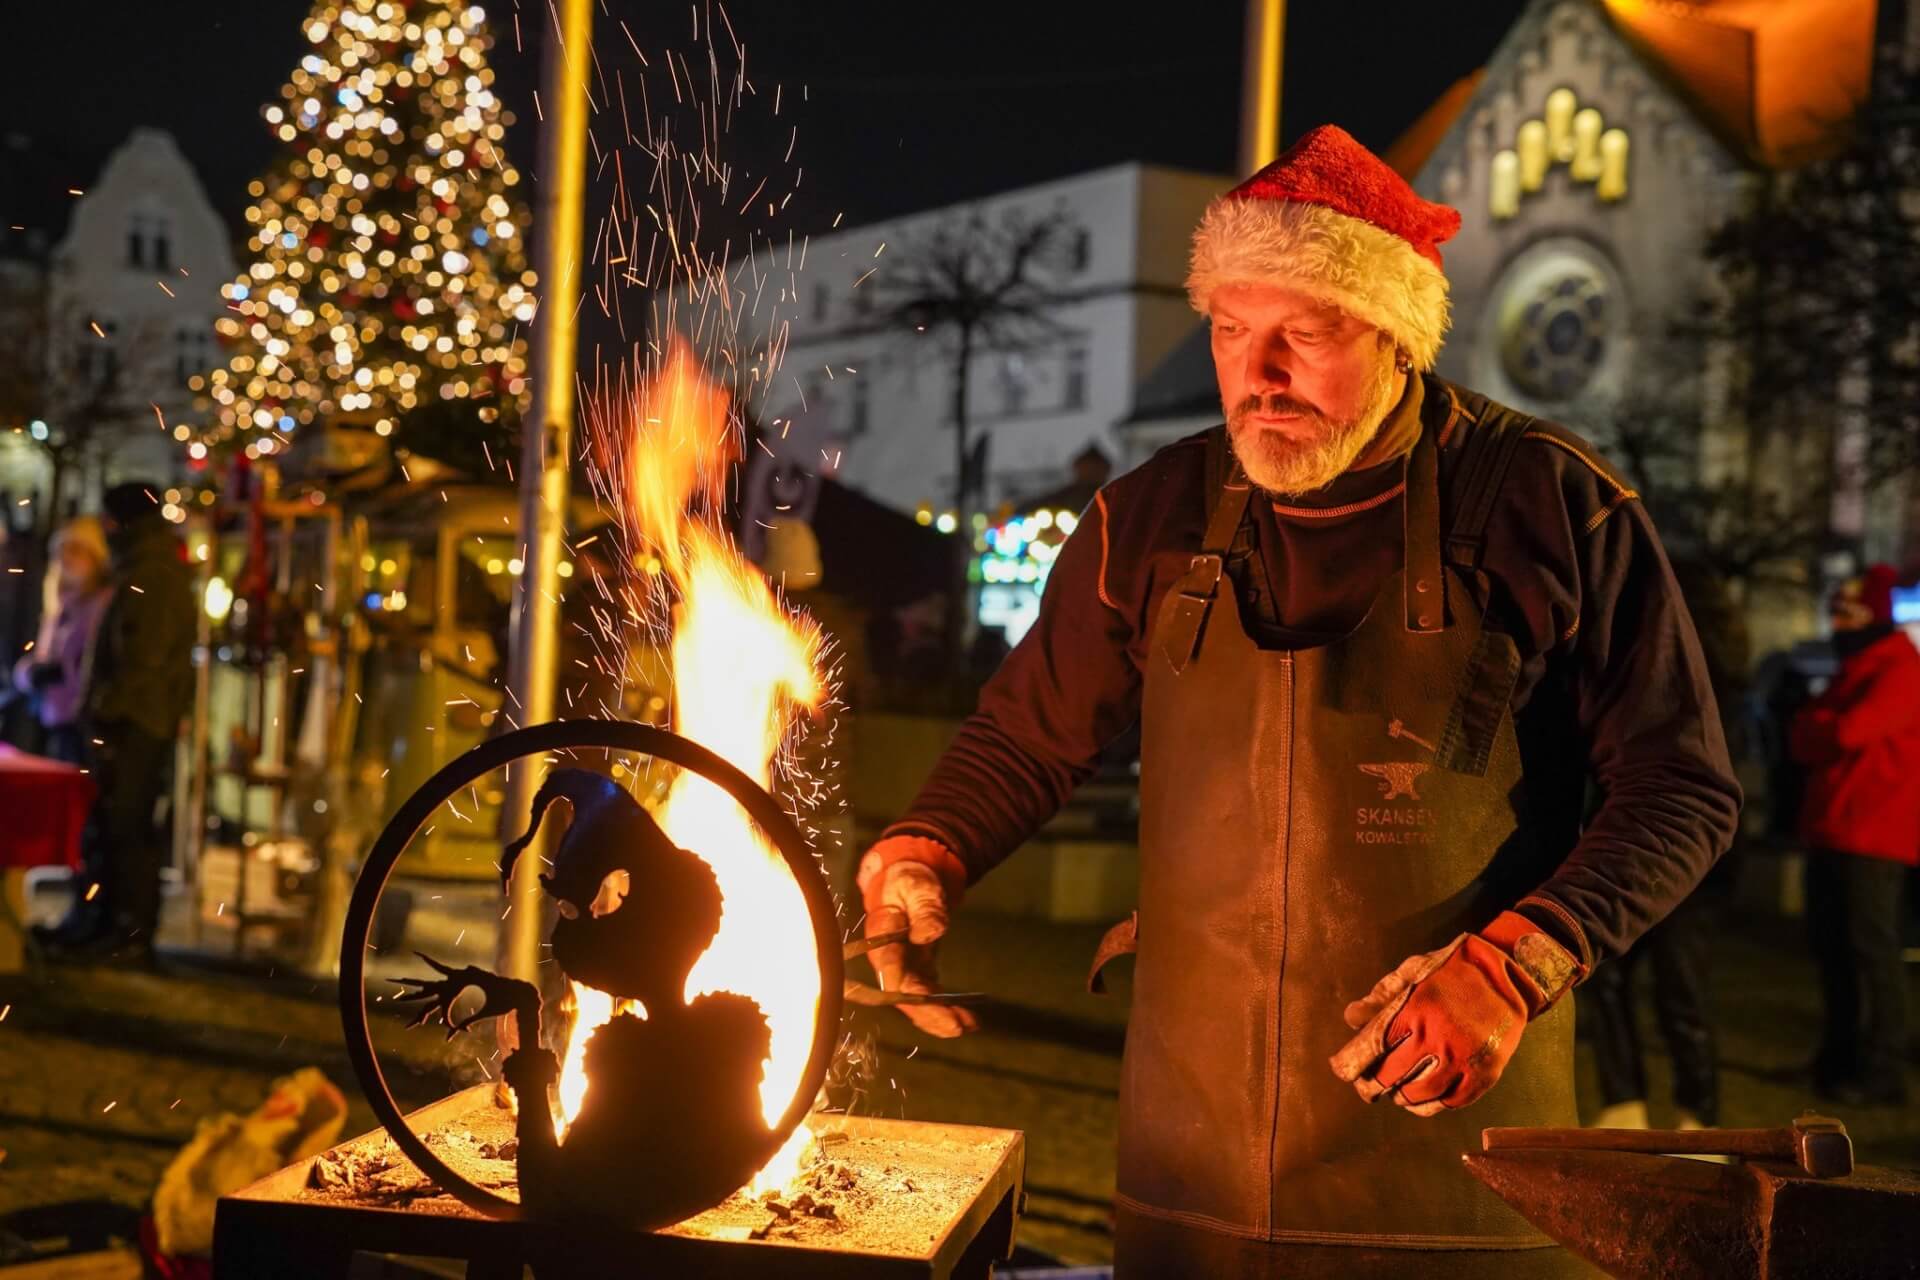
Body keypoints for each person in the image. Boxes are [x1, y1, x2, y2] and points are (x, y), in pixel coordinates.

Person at [854, 127, 1739, 1279]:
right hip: (1189, 1170)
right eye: (1231, 332)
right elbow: (1028, 729)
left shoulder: (1549, 502)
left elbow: (1684, 789)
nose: (1257, 374)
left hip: (1465, 1167)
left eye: (1305, 336)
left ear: (1398, 338)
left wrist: (1518, 961)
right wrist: (932, 847)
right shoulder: (1149, 515)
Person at [52, 482, 195, 961]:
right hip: (133, 718)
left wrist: (108, 710)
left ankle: (128, 932)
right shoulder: (144, 565)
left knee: (126, 827)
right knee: (112, 824)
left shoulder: (152, 573)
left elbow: (143, 657)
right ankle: (104, 923)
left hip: (136, 722)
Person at [1792, 564, 1919, 1107]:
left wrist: (1822, 725)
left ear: (1872, 614)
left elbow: (1843, 730)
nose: (1836, 621)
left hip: (1874, 835)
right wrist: (1822, 728)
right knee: (1834, 952)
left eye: (1846, 611)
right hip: (1836, 830)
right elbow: (1804, 735)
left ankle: (1885, 1070)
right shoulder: (1861, 666)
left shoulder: (1900, 669)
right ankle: (1838, 1062)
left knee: (1872, 953)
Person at [11, 516, 111, 764]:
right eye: (63, 551)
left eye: (75, 550)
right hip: (51, 716)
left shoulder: (100, 605)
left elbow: (89, 663)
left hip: (80, 722)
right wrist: (29, 673)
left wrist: (62, 672)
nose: (67, 559)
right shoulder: (58, 603)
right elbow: (45, 654)